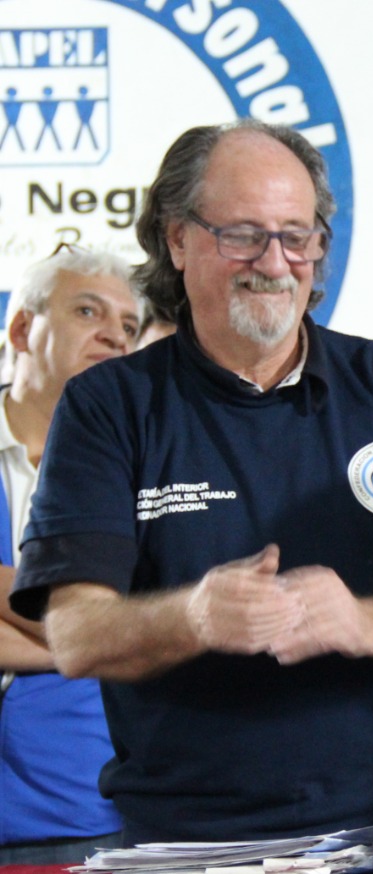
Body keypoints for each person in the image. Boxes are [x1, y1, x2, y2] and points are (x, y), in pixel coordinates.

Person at [8, 119, 373, 844]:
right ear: (176, 240)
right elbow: (76, 633)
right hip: (184, 842)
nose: (275, 262)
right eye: (242, 233)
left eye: (296, 235)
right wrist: (197, 618)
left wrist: (366, 622)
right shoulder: (109, 405)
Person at [0, 244, 140, 863]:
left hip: (82, 812)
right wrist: (79, 638)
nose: (114, 336)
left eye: (129, 325)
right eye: (89, 311)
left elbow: (133, 633)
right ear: (23, 327)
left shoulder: (146, 468)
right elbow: (98, 635)